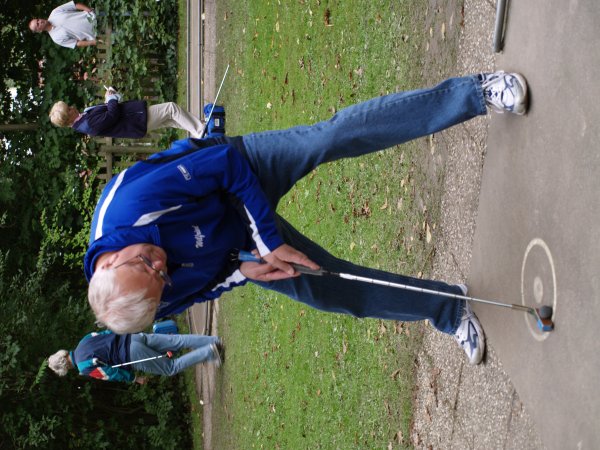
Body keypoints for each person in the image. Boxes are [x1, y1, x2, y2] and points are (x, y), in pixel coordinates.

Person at [84, 71, 529, 365]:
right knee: (333, 290)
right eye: (161, 278)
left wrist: (268, 239)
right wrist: (242, 270)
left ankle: (476, 92)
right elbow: (203, 287)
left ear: (111, 261)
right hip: (240, 246)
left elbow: (223, 165)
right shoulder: (150, 300)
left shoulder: (128, 205)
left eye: (147, 263)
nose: (161, 264)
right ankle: (449, 308)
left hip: (239, 169)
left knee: (328, 139)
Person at [48, 330, 224, 384]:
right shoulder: (84, 340)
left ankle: (210, 351)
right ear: (62, 353)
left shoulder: (84, 367)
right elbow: (107, 332)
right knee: (177, 341)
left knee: (170, 368)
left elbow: (110, 373)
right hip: (132, 337)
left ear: (64, 368)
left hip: (131, 354)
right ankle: (213, 341)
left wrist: (134, 379)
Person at [49, 87, 206, 139]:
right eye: (68, 109)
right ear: (68, 119)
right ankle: (200, 130)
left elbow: (107, 111)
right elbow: (112, 116)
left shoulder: (84, 118)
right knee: (171, 108)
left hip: (135, 118)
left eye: (68, 106)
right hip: (136, 121)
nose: (72, 107)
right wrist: (110, 99)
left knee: (170, 120)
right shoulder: (88, 124)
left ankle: (200, 131)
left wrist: (110, 96)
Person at [29, 2, 97, 49]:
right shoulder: (56, 38)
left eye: (38, 20)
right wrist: (93, 42)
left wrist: (89, 10)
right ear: (39, 31)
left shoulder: (55, 12)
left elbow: (74, 5)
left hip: (95, 16)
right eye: (38, 24)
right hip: (95, 33)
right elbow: (76, 43)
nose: (40, 21)